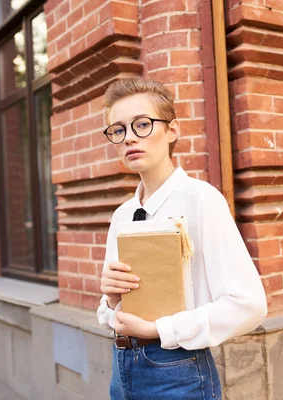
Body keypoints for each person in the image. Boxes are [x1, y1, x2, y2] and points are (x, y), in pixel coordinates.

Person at [96, 78, 268, 399]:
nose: (129, 137)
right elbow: (110, 312)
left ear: (172, 130)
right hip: (122, 366)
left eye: (142, 124)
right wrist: (110, 299)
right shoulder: (123, 214)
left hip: (177, 369)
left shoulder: (201, 200)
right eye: (118, 130)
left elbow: (249, 305)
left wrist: (158, 330)